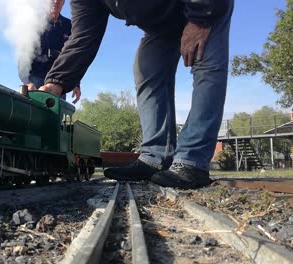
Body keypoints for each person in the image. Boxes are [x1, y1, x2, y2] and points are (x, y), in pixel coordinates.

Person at [38, 0, 234, 189]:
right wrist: (55, 82)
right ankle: (155, 157)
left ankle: (193, 162)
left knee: (207, 68)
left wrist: (201, 19)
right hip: (162, 23)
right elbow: (82, 38)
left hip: (206, 6)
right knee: (146, 70)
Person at [25, 0, 81, 104]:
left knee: (55, 115)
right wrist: (27, 82)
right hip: (35, 78)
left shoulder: (69, 26)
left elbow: (73, 55)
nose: (56, 1)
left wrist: (76, 83)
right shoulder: (34, 21)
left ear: (63, 2)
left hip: (59, 80)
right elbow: (23, 53)